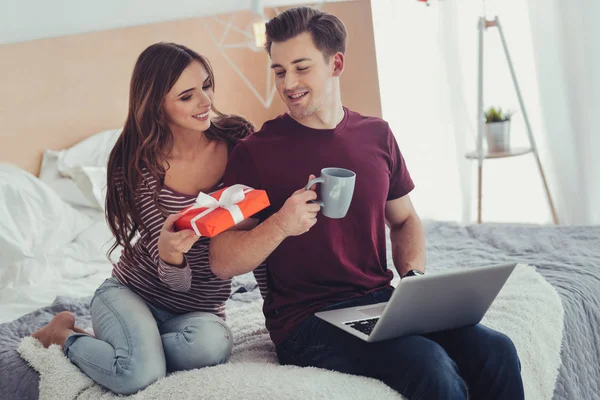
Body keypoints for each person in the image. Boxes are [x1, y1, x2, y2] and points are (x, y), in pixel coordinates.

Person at [209, 7, 525, 400]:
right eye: (278, 70)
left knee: (497, 351)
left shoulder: (376, 135)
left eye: (301, 67)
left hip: (380, 303)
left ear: (336, 63)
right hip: (306, 321)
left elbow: (405, 219)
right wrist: (279, 225)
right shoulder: (255, 152)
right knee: (429, 363)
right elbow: (221, 259)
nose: (287, 83)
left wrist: (413, 281)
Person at [31, 42, 254, 395]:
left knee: (212, 347)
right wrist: (170, 254)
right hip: (133, 294)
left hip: (199, 314)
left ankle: (135, 350)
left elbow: (261, 229)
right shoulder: (137, 166)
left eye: (207, 85)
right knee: (138, 375)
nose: (206, 102)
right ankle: (63, 335)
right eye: (187, 96)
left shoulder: (239, 140)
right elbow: (175, 283)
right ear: (157, 104)